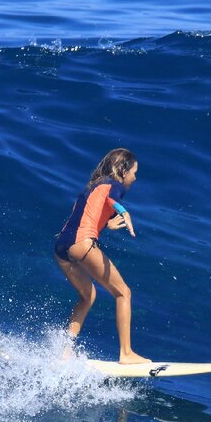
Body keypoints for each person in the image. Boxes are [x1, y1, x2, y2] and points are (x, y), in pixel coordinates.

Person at [53, 148, 150, 365]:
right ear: (123, 171)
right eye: (134, 172)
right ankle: (126, 353)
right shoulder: (113, 185)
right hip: (81, 243)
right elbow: (113, 198)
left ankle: (64, 352)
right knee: (123, 293)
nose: (135, 177)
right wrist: (123, 211)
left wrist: (106, 223)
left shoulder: (91, 188)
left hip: (62, 247)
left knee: (88, 296)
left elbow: (81, 217)